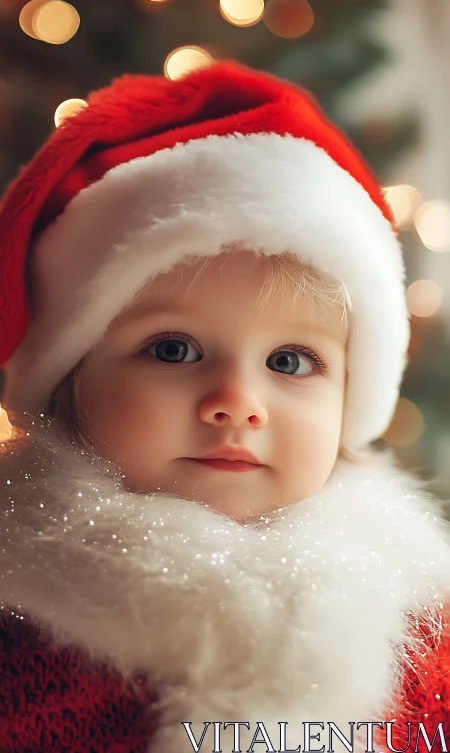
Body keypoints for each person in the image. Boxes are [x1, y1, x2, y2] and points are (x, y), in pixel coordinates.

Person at [0, 59, 449, 753]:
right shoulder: (20, 624)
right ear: (69, 380)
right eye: (174, 350)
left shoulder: (421, 627)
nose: (237, 404)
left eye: (290, 362)